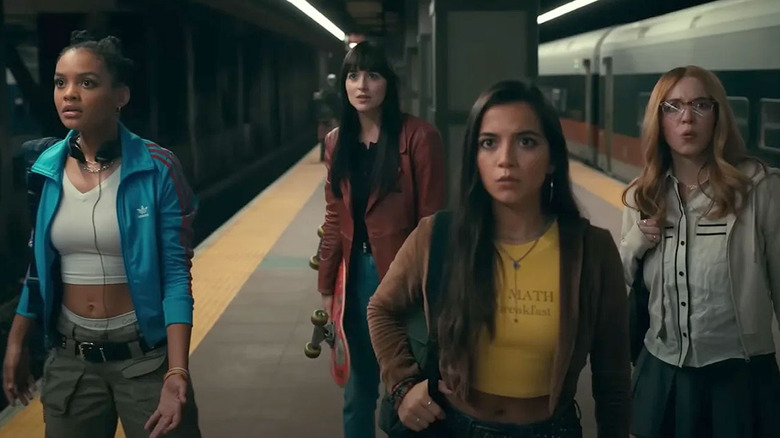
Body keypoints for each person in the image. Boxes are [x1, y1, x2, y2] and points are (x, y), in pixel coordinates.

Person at [367, 80, 631, 437]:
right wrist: (402, 385)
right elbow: (381, 309)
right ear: (475, 158)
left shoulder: (591, 251)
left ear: (552, 159)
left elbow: (612, 374)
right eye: (489, 143)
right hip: (453, 427)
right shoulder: (438, 235)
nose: (506, 159)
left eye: (526, 142)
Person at [2, 30, 201, 438]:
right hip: (70, 361)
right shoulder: (42, 170)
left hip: (146, 360)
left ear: (120, 96)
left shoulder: (157, 167)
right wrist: (17, 341)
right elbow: (39, 269)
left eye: (86, 83)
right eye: (61, 82)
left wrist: (176, 371)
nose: (69, 94)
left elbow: (176, 275)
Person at [620, 65, 780, 438]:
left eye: (700, 105)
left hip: (740, 378)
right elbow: (620, 281)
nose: (686, 118)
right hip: (661, 374)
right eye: (672, 107)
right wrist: (637, 241)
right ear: (658, 119)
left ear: (718, 115)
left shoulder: (760, 188)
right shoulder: (641, 194)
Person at [317, 40, 445, 438]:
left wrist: (431, 289)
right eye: (353, 75)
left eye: (373, 75)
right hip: (354, 277)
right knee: (357, 388)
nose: (362, 85)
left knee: (406, 386)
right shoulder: (336, 142)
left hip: (403, 278)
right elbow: (335, 217)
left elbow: (433, 222)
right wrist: (326, 284)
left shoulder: (419, 138)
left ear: (389, 83)